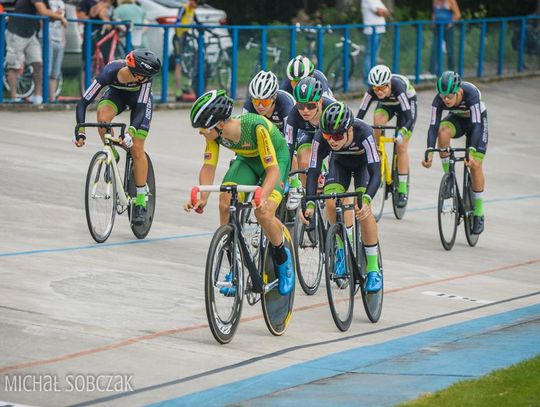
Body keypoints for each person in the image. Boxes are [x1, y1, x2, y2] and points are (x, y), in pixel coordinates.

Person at [184, 90, 294, 297]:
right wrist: (203, 198)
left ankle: (282, 257)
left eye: (203, 128)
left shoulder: (256, 126)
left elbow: (273, 170)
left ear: (220, 124)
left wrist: (262, 196)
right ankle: (234, 268)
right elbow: (208, 166)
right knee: (225, 200)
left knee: (263, 213)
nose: (201, 132)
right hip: (248, 160)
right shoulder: (214, 136)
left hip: (275, 160)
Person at [74, 49, 162, 225]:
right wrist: (81, 132)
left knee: (136, 147)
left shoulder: (145, 82)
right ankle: (111, 154)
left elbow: (142, 107)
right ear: (137, 74)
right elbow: (83, 102)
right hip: (117, 95)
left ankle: (141, 200)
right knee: (102, 119)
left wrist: (130, 132)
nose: (148, 79)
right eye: (146, 76)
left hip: (139, 103)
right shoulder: (109, 72)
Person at [303, 101, 383, 292]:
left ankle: (373, 269)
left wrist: (367, 200)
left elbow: (376, 172)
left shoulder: (364, 132)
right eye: (327, 135)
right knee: (331, 201)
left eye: (337, 135)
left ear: (349, 130)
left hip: (363, 166)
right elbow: (313, 172)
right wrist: (310, 205)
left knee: (363, 210)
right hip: (340, 165)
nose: (332, 140)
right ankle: (341, 250)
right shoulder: (321, 138)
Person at [422, 71, 488, 235]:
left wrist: (471, 150)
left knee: (475, 165)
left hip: (477, 124)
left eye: (450, 96)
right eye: (443, 96)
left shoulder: (471, 94)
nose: (446, 100)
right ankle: (449, 178)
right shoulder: (439, 100)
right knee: (443, 131)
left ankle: (479, 212)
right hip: (457, 120)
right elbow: (433, 126)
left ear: (458, 90)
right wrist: (430, 150)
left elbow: (477, 125)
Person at [356, 64, 417, 207]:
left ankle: (402, 189)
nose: (379, 91)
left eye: (383, 87)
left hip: (406, 108)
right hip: (386, 106)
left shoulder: (398, 88)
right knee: (377, 120)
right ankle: (377, 151)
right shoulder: (372, 91)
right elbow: (359, 115)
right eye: (376, 88)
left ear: (389, 83)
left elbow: (409, 118)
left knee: (401, 146)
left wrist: (402, 133)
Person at [284, 76, 334, 209]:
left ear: (320, 101)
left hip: (332, 138)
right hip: (309, 137)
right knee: (304, 160)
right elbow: (288, 146)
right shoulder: (294, 114)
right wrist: (283, 174)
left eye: (310, 105)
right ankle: (310, 197)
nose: (305, 110)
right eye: (301, 105)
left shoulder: (330, 108)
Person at [5, 0, 68, 104]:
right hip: (16, 32)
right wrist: (60, 17)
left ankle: (37, 96)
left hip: (30, 34)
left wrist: (56, 15)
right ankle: (14, 97)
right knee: (14, 66)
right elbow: (42, 11)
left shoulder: (46, 1)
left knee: (38, 63)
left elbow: (48, 17)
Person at [242, 70, 295, 135]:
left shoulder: (285, 105)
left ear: (274, 97)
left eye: (265, 102)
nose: (260, 106)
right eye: (256, 101)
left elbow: (289, 137)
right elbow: (244, 133)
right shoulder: (249, 104)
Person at [173, 0, 200, 102]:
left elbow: (198, 22)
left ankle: (186, 88)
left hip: (186, 38)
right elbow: (178, 20)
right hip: (179, 38)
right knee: (178, 64)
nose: (196, 5)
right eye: (196, 2)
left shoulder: (193, 10)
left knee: (189, 63)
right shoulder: (184, 8)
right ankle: (178, 91)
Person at [361, 0, 389, 86]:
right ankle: (367, 78)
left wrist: (383, 11)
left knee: (375, 55)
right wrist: (382, 11)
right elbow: (380, 12)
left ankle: (374, 77)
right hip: (371, 31)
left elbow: (386, 12)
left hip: (379, 30)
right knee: (370, 54)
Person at [430, 0, 461, 74]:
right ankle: (433, 70)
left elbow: (458, 15)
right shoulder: (435, 1)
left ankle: (452, 70)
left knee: (449, 49)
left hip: (447, 28)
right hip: (437, 28)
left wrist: (450, 23)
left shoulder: (451, 1)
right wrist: (433, 22)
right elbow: (434, 13)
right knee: (435, 48)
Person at [48, 0, 66, 102]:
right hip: (48, 37)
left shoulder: (61, 3)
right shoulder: (47, 2)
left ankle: (52, 98)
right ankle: (42, 97)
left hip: (59, 40)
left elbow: (64, 22)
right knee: (47, 70)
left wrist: (64, 39)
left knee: (55, 72)